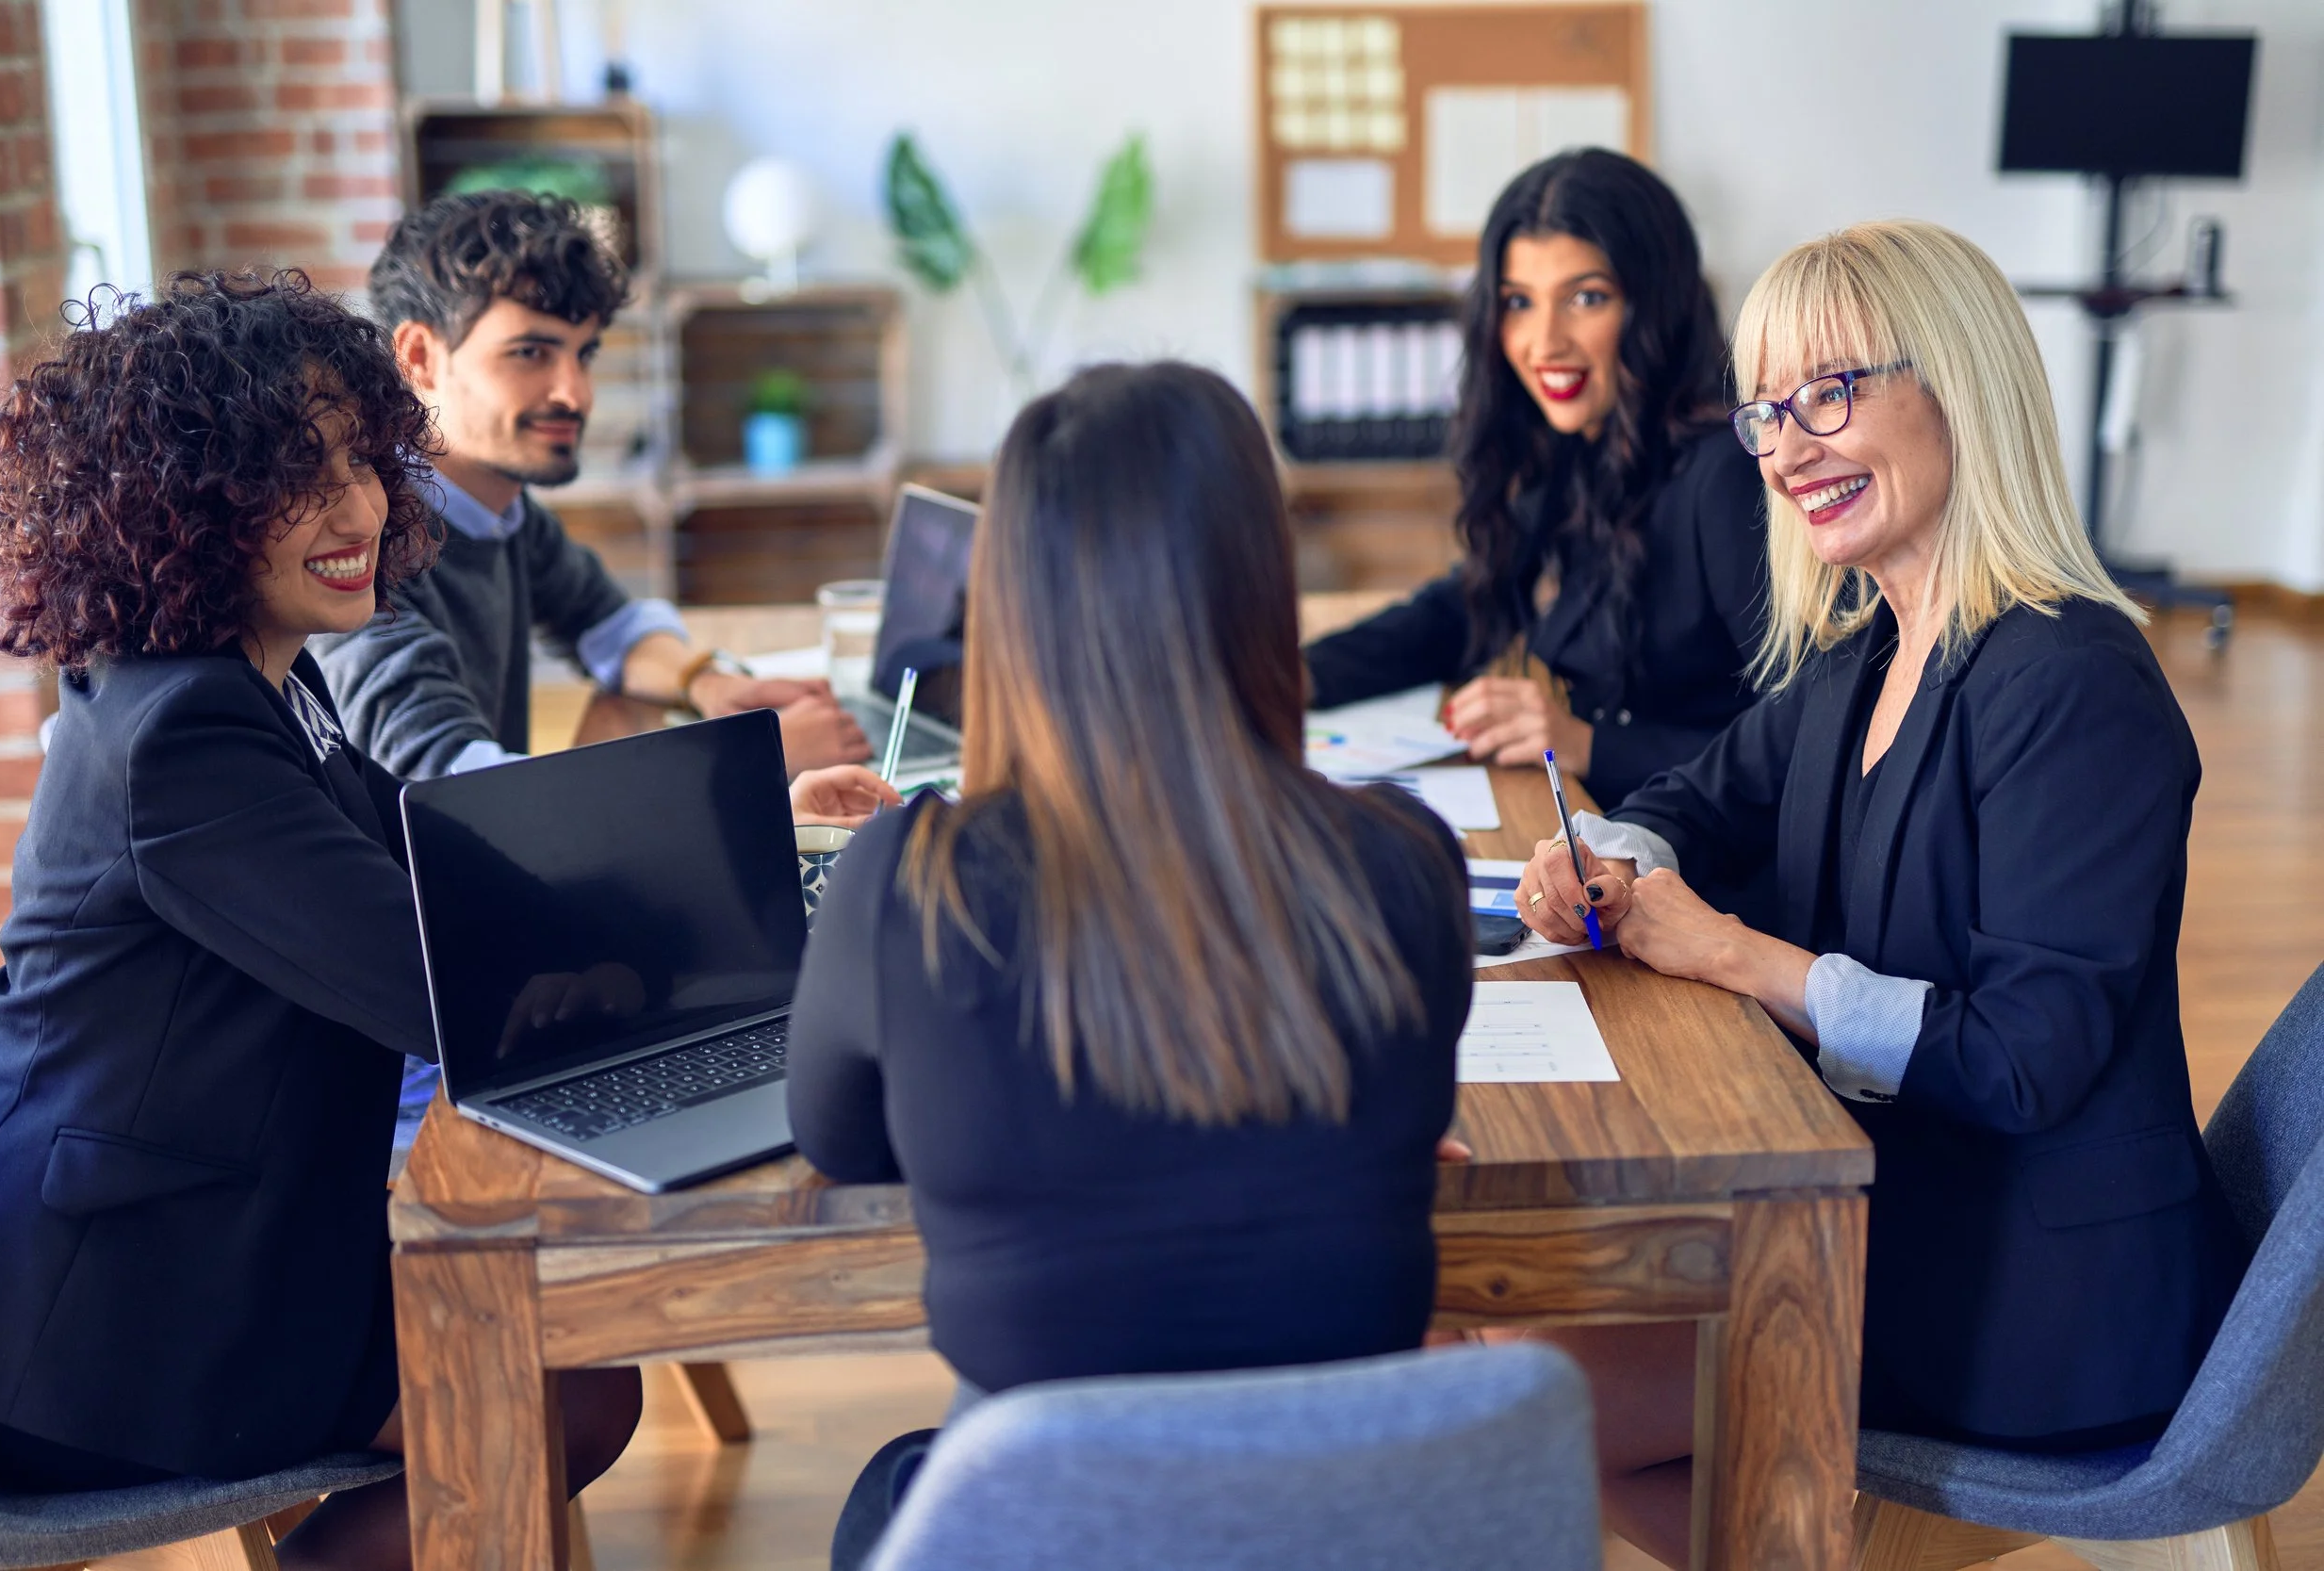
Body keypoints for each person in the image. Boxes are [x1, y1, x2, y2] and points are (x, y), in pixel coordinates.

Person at [1512, 221, 2249, 1567]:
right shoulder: (1867, 652)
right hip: (1904, 1214)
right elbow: (1689, 800)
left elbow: (2026, 1057)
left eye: (1829, 393)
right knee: (1505, 1344)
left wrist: (1733, 953)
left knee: (1524, 1387)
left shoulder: (2075, 685)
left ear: (1957, 382)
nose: (1786, 450)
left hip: (2039, 1298)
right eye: (1765, 414)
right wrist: (1608, 858)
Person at [0, 272, 643, 1569]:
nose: (359, 508)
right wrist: (637, 961)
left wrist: (740, 835)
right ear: (192, 500)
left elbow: (454, 854)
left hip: (166, 1244)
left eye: (364, 460)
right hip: (100, 1321)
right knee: (558, 1368)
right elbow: (444, 984)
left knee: (565, 1346)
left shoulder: (247, 682)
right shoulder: (186, 732)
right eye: (296, 474)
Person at [788, 362, 1476, 1569]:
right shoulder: (1406, 865)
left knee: (890, 1494)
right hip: (1341, 1529)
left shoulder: (901, 883)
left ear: (1013, 603)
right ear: (1262, 583)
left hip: (1050, 1528)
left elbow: (842, 1142)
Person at [314, 188, 869, 781]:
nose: (575, 395)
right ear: (420, 357)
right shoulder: (360, 552)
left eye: (585, 354)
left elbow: (607, 622)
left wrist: (706, 682)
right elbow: (458, 790)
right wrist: (752, 759)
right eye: (530, 353)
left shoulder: (498, 512)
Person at [1303, 148, 1766, 811]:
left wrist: (1586, 743)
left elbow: (1807, 737)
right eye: (1519, 302)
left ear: (1656, 305)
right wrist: (1297, 676)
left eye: (1586, 297)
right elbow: (1465, 605)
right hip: (1622, 836)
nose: (1543, 342)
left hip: (1719, 878)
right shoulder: (1582, 444)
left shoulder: (1726, 473)